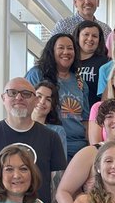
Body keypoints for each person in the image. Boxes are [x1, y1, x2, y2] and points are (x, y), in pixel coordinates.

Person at [0, 77, 68, 203]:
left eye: (26, 94)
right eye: (12, 93)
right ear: (3, 98)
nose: (19, 97)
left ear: (35, 101)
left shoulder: (52, 138)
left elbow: (57, 186)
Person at [26, 33, 90, 161]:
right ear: (52, 51)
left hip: (78, 148)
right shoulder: (37, 74)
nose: (66, 52)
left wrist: (90, 146)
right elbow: (26, 107)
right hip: (47, 143)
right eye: (61, 48)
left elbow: (85, 119)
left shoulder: (79, 81)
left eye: (70, 48)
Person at [74, 19, 109, 109]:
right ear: (78, 36)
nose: (90, 39)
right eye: (86, 34)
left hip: (93, 114)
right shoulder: (69, 60)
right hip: (69, 114)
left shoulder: (105, 63)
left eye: (94, 36)